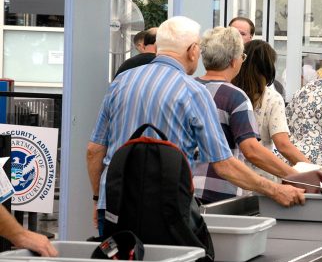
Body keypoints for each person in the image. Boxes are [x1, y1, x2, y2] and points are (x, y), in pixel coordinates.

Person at [87, 16, 304, 235]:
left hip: (114, 203)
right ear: (192, 50)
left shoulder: (120, 82)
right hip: (164, 208)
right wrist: (275, 189)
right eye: (198, 49)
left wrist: (98, 198)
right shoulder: (192, 92)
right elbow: (224, 164)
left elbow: (94, 150)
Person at [193, 27, 301, 202]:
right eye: (242, 57)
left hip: (184, 189)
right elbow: (251, 150)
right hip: (220, 191)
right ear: (234, 61)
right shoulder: (234, 96)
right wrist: (295, 176)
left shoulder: (187, 87)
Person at [232, 40, 310, 171]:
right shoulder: (272, 99)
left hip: (232, 173)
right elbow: (283, 144)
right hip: (260, 176)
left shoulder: (230, 93)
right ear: (268, 68)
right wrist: (314, 169)